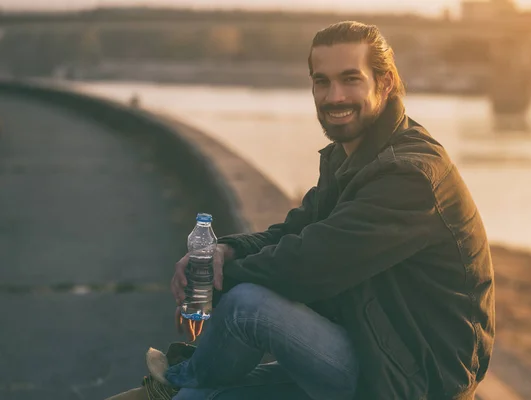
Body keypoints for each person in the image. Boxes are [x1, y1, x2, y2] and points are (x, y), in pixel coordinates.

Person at [107, 20, 494, 400]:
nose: (334, 96)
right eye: (321, 81)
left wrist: (211, 280)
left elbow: (312, 265)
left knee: (246, 306)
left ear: (385, 83)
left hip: (418, 379)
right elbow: (294, 230)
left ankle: (178, 377)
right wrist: (226, 250)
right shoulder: (353, 157)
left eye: (350, 79)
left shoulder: (408, 174)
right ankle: (180, 388)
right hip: (370, 345)